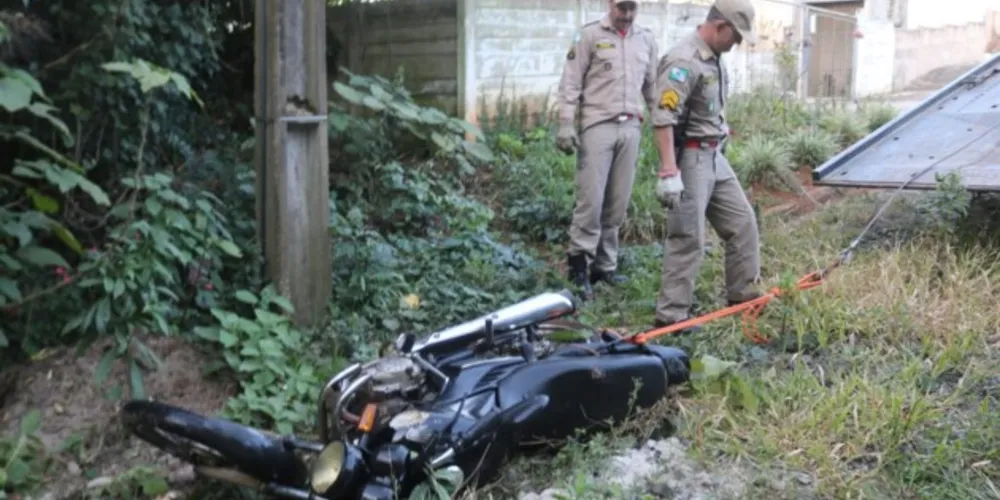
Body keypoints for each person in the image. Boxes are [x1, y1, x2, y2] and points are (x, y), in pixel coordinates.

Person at [649, 0, 762, 332]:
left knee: (742, 224)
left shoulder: (713, 58)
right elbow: (662, 118)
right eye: (735, 36)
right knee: (688, 237)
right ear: (718, 26)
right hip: (691, 160)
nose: (737, 43)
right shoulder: (683, 60)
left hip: (715, 156)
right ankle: (671, 316)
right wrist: (669, 171)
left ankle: (744, 297)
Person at [556, 0, 660, 301]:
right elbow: (571, 82)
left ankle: (605, 268)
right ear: (609, 4)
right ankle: (578, 267)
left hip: (631, 129)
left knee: (617, 202)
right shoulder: (589, 35)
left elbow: (652, 88)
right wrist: (565, 123)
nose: (626, 16)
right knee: (591, 200)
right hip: (598, 127)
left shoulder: (646, 39)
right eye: (621, 9)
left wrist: (664, 126)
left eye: (632, 9)